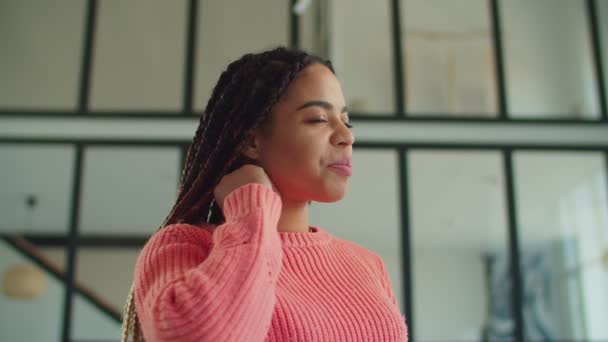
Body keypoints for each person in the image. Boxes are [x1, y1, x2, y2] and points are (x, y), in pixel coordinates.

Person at [120, 46, 408, 341]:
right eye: (319, 119)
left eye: (347, 121)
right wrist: (251, 213)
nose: (347, 136)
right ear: (251, 141)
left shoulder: (366, 265)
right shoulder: (184, 247)